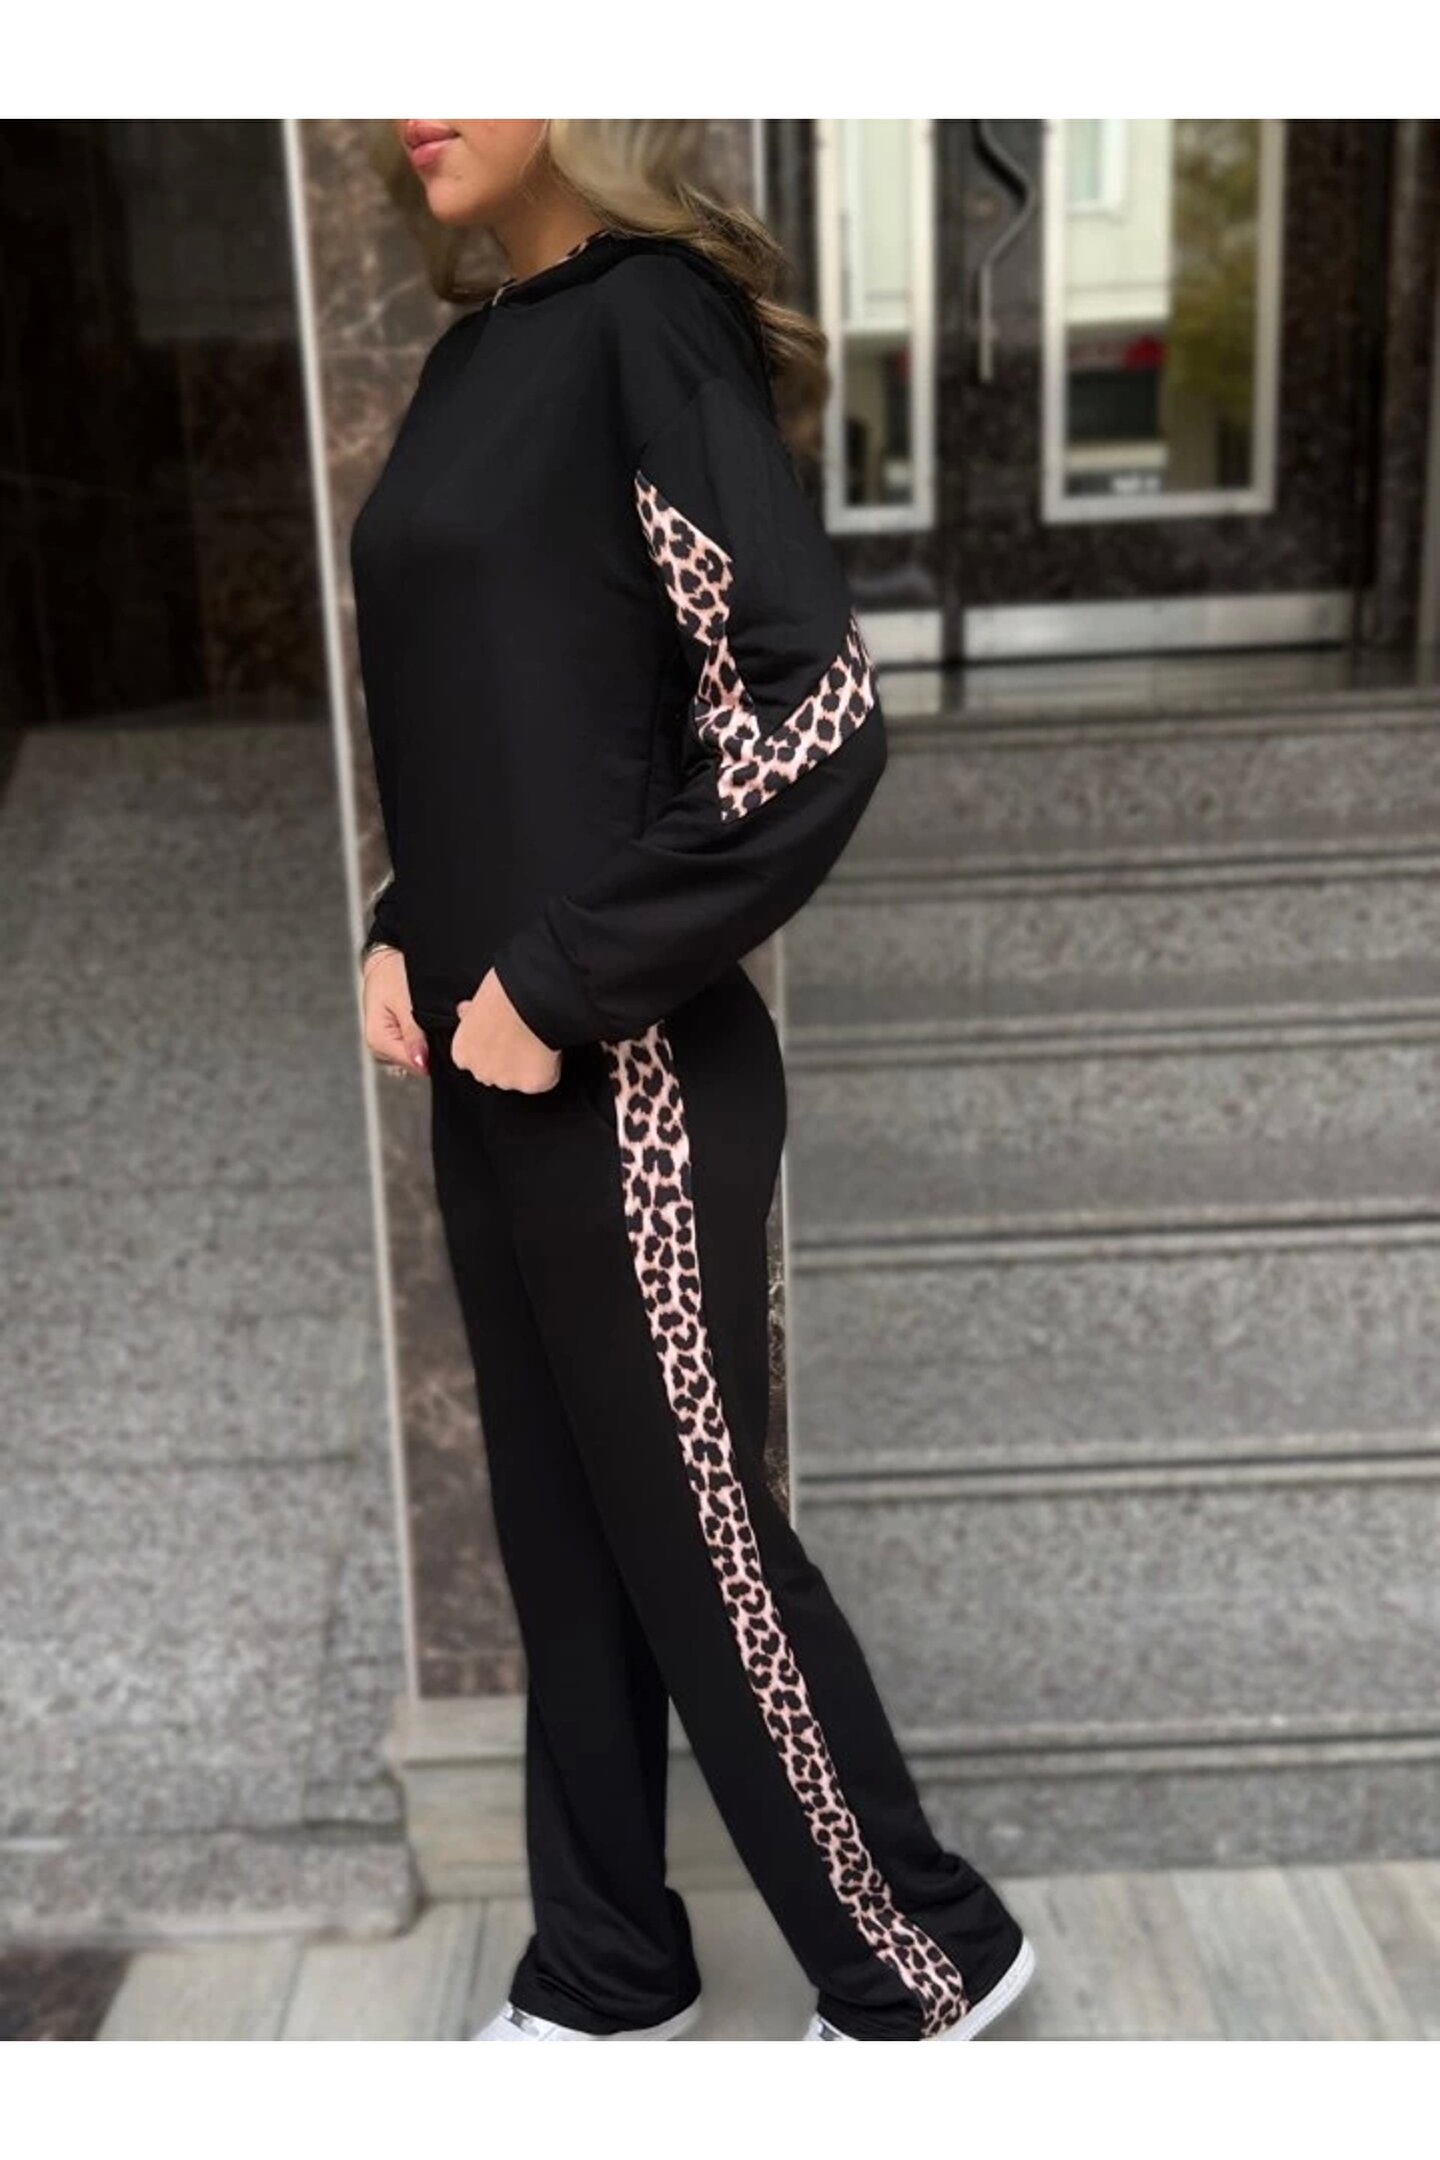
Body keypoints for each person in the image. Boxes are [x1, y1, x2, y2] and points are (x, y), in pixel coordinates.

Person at [352, 118, 1034, 2044]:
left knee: (695, 1542)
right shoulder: (475, 358)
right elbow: (518, 713)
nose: (414, 91)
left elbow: (812, 711)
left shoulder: (652, 323)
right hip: (483, 1058)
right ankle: (607, 1972)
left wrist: (563, 977)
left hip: (628, 1066)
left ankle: (928, 1965)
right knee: (565, 1547)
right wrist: (406, 923)